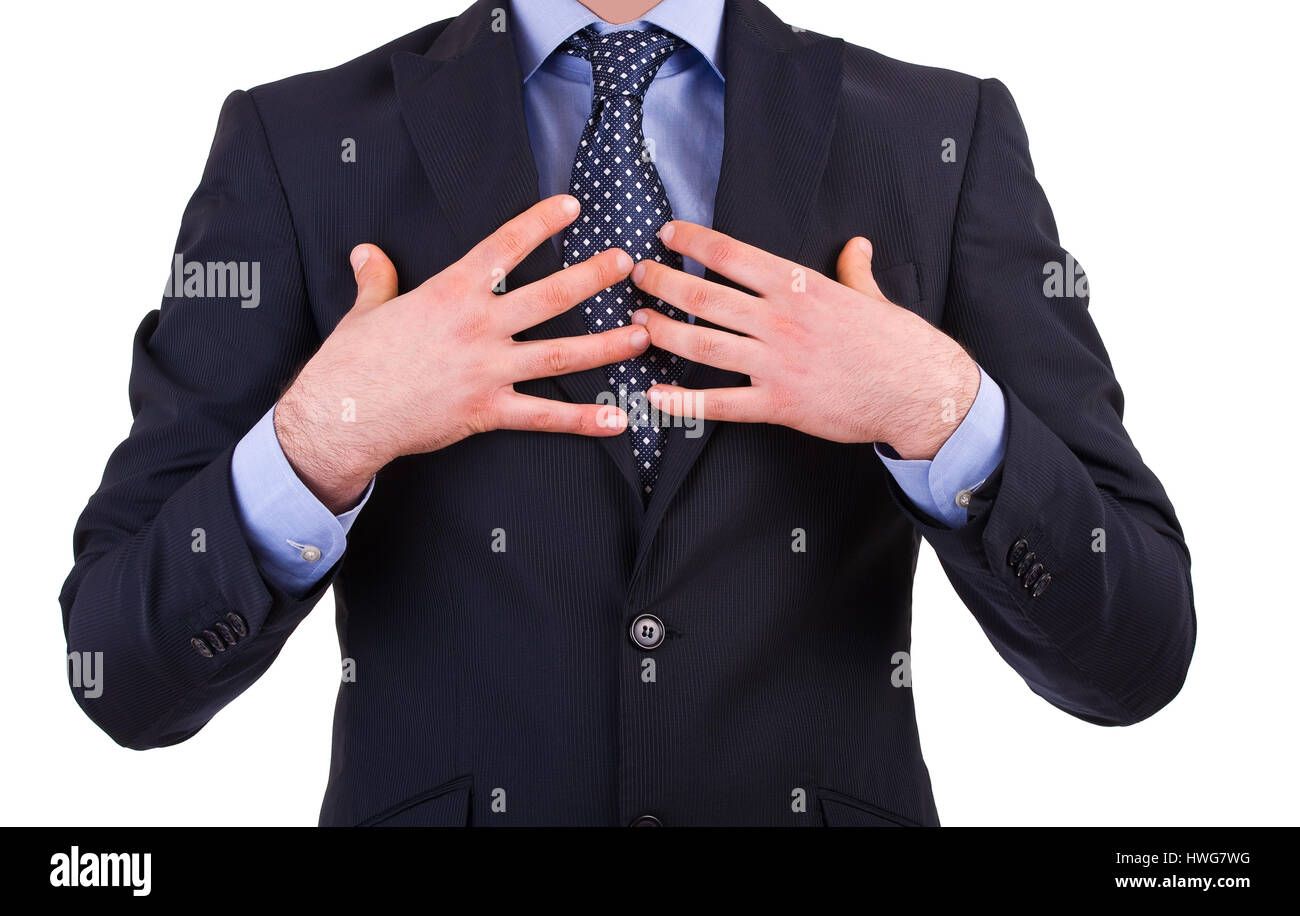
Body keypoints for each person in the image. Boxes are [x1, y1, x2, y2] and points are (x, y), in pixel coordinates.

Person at [61, 0, 1195, 826]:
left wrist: (942, 410)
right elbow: (119, 664)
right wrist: (321, 438)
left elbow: (1135, 653)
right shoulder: (294, 143)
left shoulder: (939, 138)